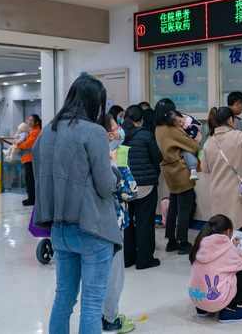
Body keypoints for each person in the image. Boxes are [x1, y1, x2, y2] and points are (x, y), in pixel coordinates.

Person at [32, 75, 122, 333]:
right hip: (92, 228)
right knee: (92, 305)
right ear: (95, 102)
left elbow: (40, 174)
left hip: (59, 229)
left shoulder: (48, 130)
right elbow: (105, 186)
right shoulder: (94, 131)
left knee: (63, 298)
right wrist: (115, 172)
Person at [200, 107, 242, 279]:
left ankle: (224, 267)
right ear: (230, 120)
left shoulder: (209, 141)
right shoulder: (238, 136)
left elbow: (205, 168)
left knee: (221, 232)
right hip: (235, 194)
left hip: (217, 194)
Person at [101, 113, 136, 333]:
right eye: (117, 126)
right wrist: (122, 164)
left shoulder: (88, 152)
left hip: (93, 221)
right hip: (114, 220)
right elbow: (129, 191)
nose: (120, 130)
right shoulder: (114, 155)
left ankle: (102, 314)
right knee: (114, 273)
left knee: (98, 273)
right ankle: (110, 318)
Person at [188, 214, 242, 323]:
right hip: (215, 301)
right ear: (227, 232)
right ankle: (230, 309)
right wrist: (236, 248)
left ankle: (202, 309)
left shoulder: (199, 243)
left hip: (197, 298)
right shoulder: (227, 249)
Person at [121, 105, 164, 269]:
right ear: (142, 119)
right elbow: (158, 158)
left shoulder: (120, 135)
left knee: (128, 224)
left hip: (126, 186)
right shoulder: (146, 135)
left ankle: (128, 258)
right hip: (145, 186)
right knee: (144, 222)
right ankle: (144, 260)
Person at [155, 103, 199, 255]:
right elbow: (193, 145)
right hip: (180, 171)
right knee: (184, 209)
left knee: (173, 205)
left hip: (168, 171)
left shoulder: (158, 129)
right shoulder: (171, 130)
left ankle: (171, 241)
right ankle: (184, 243)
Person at [166, 110, 202, 181]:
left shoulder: (190, 122)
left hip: (195, 140)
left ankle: (193, 169)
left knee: (187, 151)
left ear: (180, 114)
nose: (181, 124)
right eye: (178, 125)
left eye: (180, 121)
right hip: (192, 143)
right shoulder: (181, 124)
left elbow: (195, 130)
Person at [17, 114, 41, 206]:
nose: (29, 122)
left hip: (31, 159)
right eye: (28, 120)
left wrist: (18, 144)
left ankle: (32, 198)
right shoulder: (32, 131)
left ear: (37, 122)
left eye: (31, 120)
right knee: (29, 179)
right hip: (28, 158)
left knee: (30, 179)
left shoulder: (36, 131)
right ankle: (31, 197)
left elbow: (28, 144)